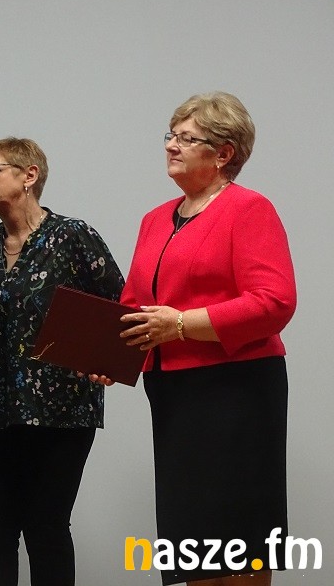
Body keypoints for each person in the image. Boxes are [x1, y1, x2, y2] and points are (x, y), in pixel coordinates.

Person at [117, 92, 296, 585]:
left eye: (186, 138)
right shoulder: (155, 219)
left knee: (237, 542)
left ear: (223, 153)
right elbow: (135, 306)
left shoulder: (249, 209)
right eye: (170, 135)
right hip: (173, 393)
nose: (171, 145)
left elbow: (274, 302)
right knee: (192, 543)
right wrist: (107, 356)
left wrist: (181, 324)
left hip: (236, 391)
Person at [0, 137, 124, 585]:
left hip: (62, 411)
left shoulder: (72, 235)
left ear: (29, 175)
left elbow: (121, 304)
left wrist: (106, 360)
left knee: (46, 526)